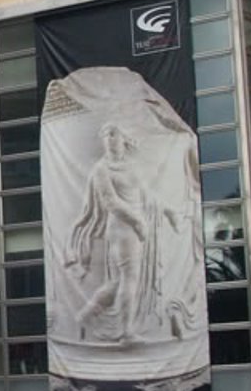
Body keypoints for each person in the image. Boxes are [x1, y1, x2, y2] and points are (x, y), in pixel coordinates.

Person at [69, 122, 178, 344]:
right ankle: (127, 333)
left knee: (116, 283)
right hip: (122, 228)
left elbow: (146, 194)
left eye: (113, 134)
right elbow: (111, 202)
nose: (109, 139)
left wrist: (168, 210)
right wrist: (137, 221)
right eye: (105, 135)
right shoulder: (102, 169)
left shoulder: (131, 165)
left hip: (134, 228)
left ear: (122, 138)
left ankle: (82, 318)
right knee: (129, 279)